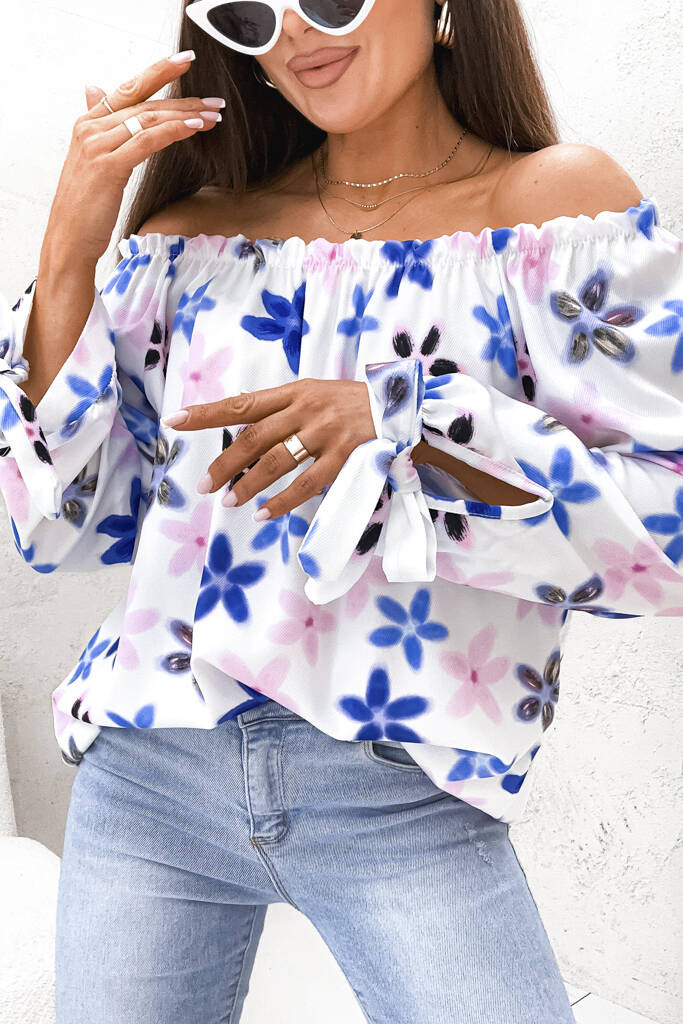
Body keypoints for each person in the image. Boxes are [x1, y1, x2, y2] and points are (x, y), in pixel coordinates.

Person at [0, 1, 680, 1021]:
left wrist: (405, 423)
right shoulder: (191, 240)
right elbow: (63, 524)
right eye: (249, 13)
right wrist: (70, 250)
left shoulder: (551, 212)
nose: (295, 33)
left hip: (398, 791)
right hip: (150, 771)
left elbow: (663, 533)